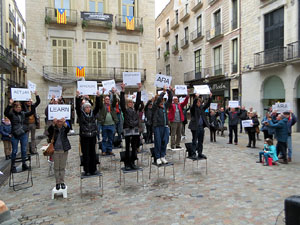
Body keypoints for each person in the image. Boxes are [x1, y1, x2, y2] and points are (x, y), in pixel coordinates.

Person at [4, 99, 35, 173]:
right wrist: (9, 104)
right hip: (15, 134)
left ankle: (24, 163)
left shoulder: (23, 114)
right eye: (17, 107)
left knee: (24, 149)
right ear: (14, 108)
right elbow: (6, 113)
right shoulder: (11, 115)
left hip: (23, 133)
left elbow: (31, 112)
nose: (18, 109)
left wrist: (32, 104)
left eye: (19, 107)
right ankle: (13, 165)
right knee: (14, 150)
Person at [76, 90, 100, 175]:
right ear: (84, 108)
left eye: (89, 107)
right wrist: (78, 97)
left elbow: (97, 107)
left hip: (92, 135)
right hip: (84, 136)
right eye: (86, 107)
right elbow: (77, 108)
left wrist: (97, 97)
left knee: (93, 153)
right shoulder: (81, 115)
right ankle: (87, 170)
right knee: (86, 154)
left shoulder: (93, 114)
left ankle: (93, 169)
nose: (88, 109)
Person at [120, 83, 142, 170]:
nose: (130, 103)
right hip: (128, 129)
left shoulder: (135, 109)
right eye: (129, 102)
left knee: (134, 147)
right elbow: (121, 103)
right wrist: (123, 91)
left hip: (135, 130)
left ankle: (133, 162)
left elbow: (139, 100)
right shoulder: (125, 110)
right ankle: (127, 163)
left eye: (131, 102)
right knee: (128, 147)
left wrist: (139, 89)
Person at [48, 118, 71, 190]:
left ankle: (62, 181)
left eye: (61, 122)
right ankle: (57, 182)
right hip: (55, 150)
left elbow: (68, 129)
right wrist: (53, 124)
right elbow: (49, 131)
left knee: (62, 167)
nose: (59, 123)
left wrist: (64, 123)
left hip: (63, 149)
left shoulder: (64, 128)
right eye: (58, 121)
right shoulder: (53, 128)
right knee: (56, 167)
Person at [152, 85, 173, 165]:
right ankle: (157, 157)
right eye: (160, 100)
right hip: (157, 126)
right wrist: (163, 92)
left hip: (165, 126)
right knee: (158, 142)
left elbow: (170, 100)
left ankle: (162, 156)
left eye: (162, 100)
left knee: (165, 141)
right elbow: (158, 101)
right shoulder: (155, 107)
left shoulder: (164, 106)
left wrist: (169, 91)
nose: (161, 101)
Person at [188, 93, 212, 159]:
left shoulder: (202, 108)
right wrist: (196, 97)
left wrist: (210, 97)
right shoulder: (193, 108)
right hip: (195, 127)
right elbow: (193, 105)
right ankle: (193, 153)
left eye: (200, 102)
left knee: (200, 141)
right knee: (194, 141)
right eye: (198, 102)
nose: (199, 103)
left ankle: (200, 153)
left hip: (201, 127)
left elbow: (207, 104)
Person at [98, 88, 118, 155]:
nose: (107, 100)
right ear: (104, 100)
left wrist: (114, 93)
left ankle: (109, 149)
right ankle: (104, 150)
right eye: (106, 99)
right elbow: (99, 101)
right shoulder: (102, 106)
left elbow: (115, 101)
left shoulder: (111, 106)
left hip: (111, 124)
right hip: (105, 125)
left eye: (108, 99)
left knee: (110, 138)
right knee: (104, 138)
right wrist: (102, 93)